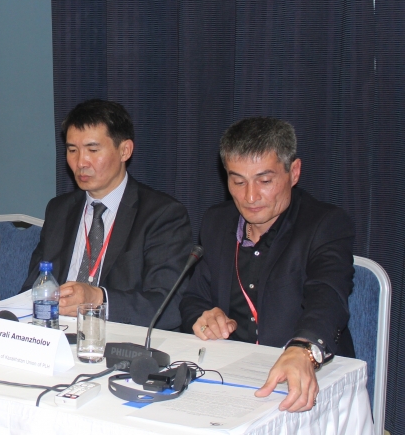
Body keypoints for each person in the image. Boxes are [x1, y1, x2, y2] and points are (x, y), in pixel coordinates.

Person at [179, 117, 355, 413]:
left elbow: (328, 296)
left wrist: (304, 348)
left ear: (293, 172)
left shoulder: (324, 224)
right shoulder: (216, 222)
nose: (250, 196)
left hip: (303, 376)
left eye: (264, 181)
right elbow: (193, 299)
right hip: (230, 377)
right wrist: (205, 317)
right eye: (238, 181)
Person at [21, 99, 193, 329]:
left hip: (117, 336)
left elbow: (168, 305)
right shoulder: (59, 210)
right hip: (55, 331)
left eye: (93, 150)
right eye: (72, 150)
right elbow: (32, 287)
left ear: (125, 151)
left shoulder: (162, 215)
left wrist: (98, 298)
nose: (81, 162)